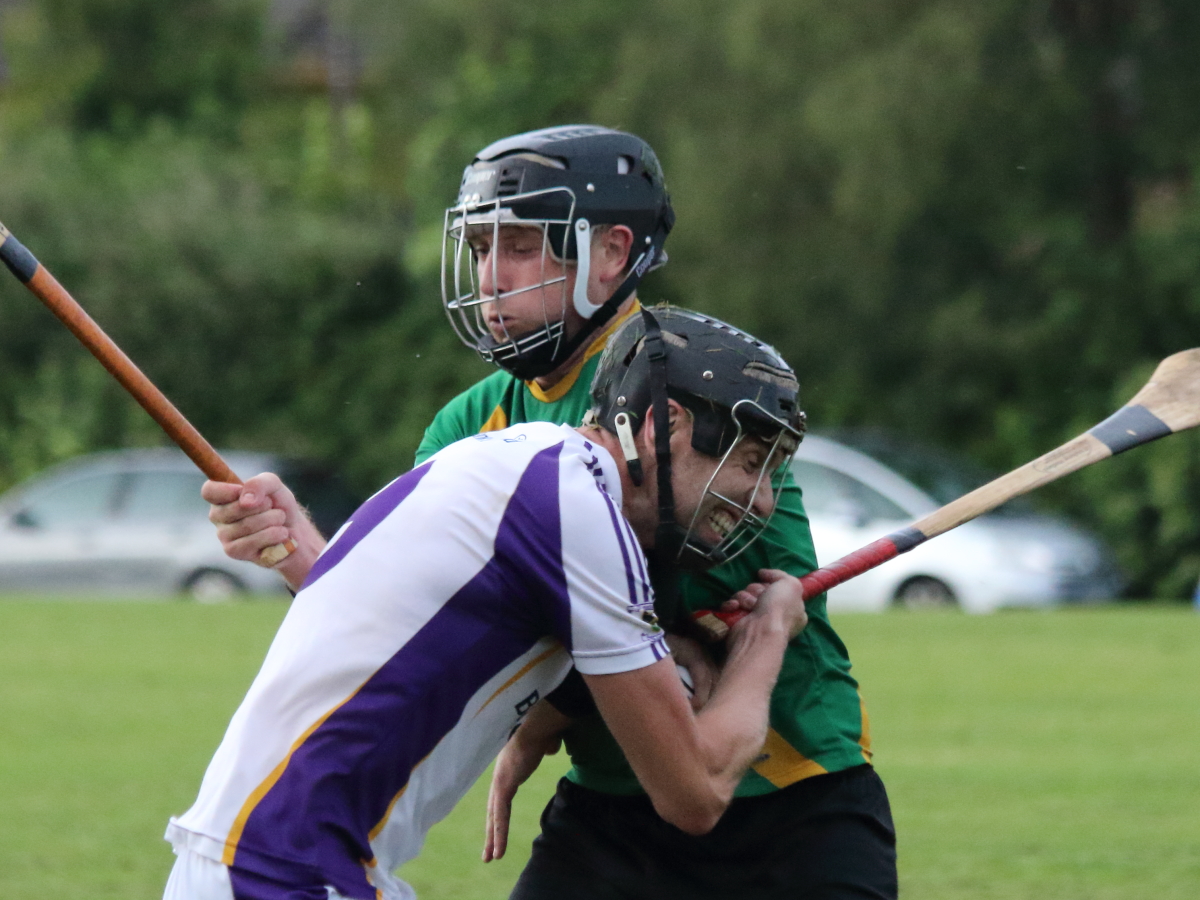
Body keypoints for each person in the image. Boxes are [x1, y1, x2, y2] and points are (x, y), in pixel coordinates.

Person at [207, 126, 897, 899]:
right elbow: (433, 624)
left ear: (609, 254)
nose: (492, 278)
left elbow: (717, 643)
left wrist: (544, 719)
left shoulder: (705, 398)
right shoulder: (470, 424)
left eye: (521, 247)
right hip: (617, 797)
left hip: (789, 793)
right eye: (479, 249)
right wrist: (300, 547)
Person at [165, 306, 809, 900]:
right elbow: (694, 795)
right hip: (284, 874)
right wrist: (767, 638)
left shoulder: (512, 460)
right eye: (750, 460)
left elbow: (395, 632)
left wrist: (304, 548)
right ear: (663, 425)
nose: (761, 501)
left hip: (263, 862)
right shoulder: (579, 514)